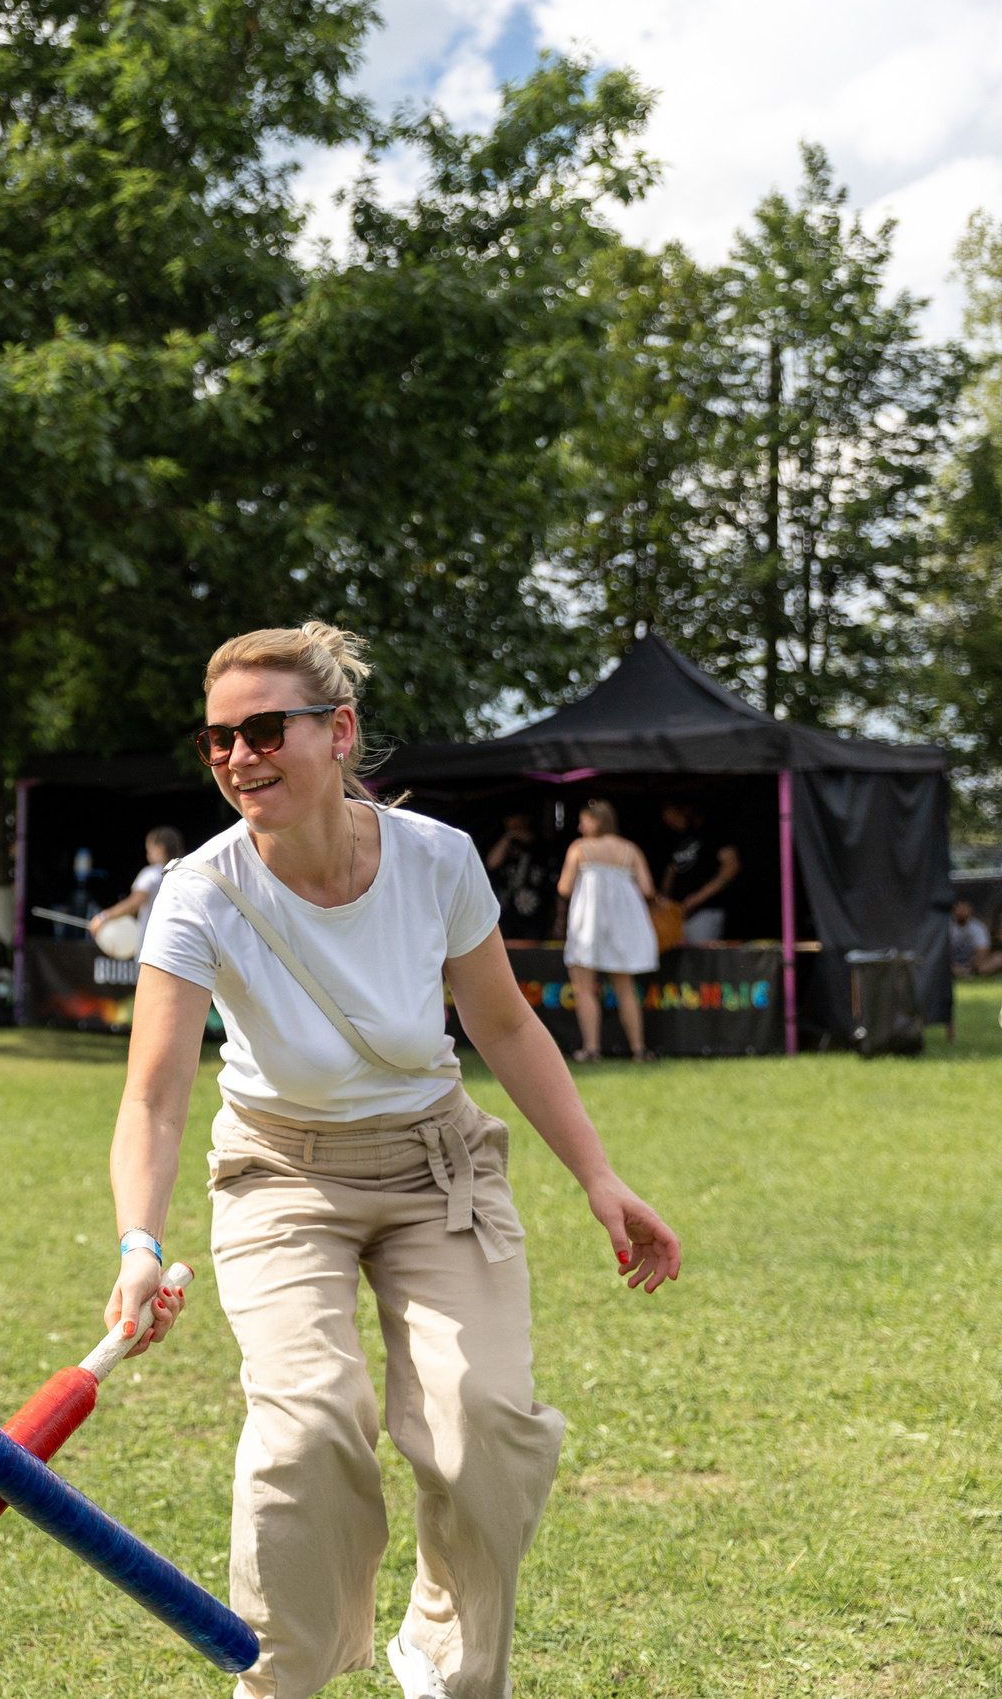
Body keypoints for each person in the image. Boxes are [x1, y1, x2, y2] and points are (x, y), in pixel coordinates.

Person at [103, 621, 680, 1699]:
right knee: (306, 1430)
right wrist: (140, 1240)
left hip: (435, 1167)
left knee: (486, 1431)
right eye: (215, 739)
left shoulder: (435, 860)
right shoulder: (198, 890)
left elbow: (504, 1028)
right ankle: (282, 1679)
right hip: (279, 1175)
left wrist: (598, 1176)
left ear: (338, 733)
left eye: (264, 729)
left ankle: (444, 1653)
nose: (237, 757)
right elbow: (154, 1091)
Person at [558, 800, 659, 1062]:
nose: (580, 826)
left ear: (598, 820)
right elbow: (648, 889)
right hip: (623, 926)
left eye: (585, 820)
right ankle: (639, 1049)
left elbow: (564, 888)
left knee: (583, 988)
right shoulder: (630, 850)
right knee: (625, 988)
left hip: (588, 925)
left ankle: (591, 1049)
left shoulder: (580, 848)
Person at [91, 826, 185, 959]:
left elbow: (134, 902)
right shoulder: (184, 874)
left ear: (160, 848)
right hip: (181, 947)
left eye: (149, 849)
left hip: (153, 951)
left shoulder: (151, 874)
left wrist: (103, 917)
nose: (147, 855)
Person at [659, 802, 739, 946]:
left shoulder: (712, 832)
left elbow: (731, 866)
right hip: (677, 913)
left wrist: (698, 897)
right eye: (669, 821)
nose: (673, 824)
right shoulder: (676, 838)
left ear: (687, 810)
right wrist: (664, 899)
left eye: (675, 818)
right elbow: (671, 871)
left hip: (705, 912)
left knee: (701, 960)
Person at [483, 813, 553, 943]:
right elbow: (492, 863)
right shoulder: (504, 842)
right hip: (507, 912)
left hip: (533, 912)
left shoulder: (540, 844)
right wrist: (509, 836)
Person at [953, 899, 1001, 977]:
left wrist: (968, 968)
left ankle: (972, 974)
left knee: (998, 958)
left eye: (966, 908)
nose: (962, 911)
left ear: (970, 910)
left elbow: (982, 952)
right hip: (950, 964)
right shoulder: (946, 926)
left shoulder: (978, 927)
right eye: (960, 907)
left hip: (972, 965)